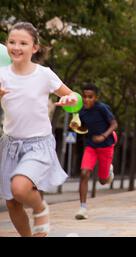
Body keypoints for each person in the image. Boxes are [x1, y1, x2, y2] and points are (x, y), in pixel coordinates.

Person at [0, 22, 78, 236]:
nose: (16, 47)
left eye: (23, 43)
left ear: (34, 48)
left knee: (20, 187)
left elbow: (75, 98)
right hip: (9, 145)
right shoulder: (2, 74)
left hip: (38, 144)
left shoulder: (44, 74)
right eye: (12, 42)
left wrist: (71, 99)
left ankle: (40, 207)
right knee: (13, 204)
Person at [70, 82, 118, 220]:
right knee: (84, 173)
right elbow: (84, 128)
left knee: (103, 181)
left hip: (106, 146)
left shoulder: (102, 108)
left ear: (95, 97)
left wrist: (103, 136)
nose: (87, 100)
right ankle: (82, 208)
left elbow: (114, 124)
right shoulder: (81, 111)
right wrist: (76, 127)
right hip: (91, 146)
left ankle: (109, 171)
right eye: (85, 96)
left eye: (90, 97)